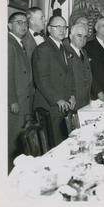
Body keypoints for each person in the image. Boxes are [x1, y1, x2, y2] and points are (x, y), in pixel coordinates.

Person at [32, 15, 76, 146]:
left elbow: (70, 75)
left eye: (64, 27)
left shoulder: (64, 48)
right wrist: (58, 99)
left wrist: (72, 95)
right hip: (50, 106)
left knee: (66, 143)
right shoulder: (43, 49)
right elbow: (41, 80)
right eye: (58, 27)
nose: (62, 30)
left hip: (65, 105)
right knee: (54, 146)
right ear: (49, 29)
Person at [7, 12, 35, 172]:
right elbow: (7, 74)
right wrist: (12, 100)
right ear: (10, 25)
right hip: (16, 101)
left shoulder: (20, 43)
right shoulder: (9, 43)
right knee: (13, 141)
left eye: (25, 22)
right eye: (19, 22)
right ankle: (9, 176)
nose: (24, 26)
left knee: (20, 139)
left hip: (25, 100)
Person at [64, 23, 92, 109]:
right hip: (72, 101)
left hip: (85, 100)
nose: (82, 39)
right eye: (79, 35)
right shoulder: (65, 52)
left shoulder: (84, 52)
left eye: (85, 36)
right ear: (71, 36)